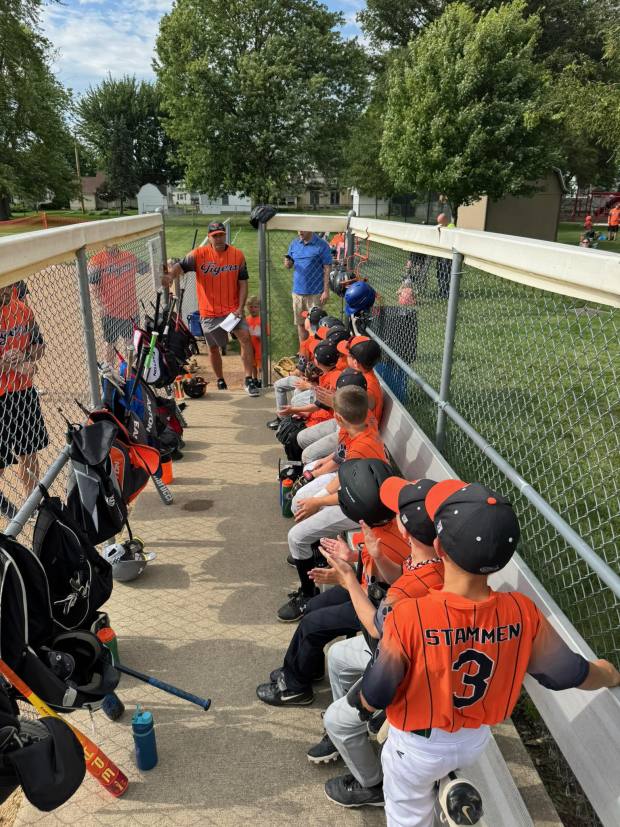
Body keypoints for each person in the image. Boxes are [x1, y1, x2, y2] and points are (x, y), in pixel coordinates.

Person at [357, 479, 620, 826]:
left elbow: (376, 693)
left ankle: (439, 786)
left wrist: (362, 707)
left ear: (438, 545)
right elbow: (564, 674)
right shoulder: (521, 611)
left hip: (418, 746)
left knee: (406, 814)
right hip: (475, 739)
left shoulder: (410, 614)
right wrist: (608, 673)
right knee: (441, 757)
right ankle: (449, 784)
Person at [310, 477, 443, 808]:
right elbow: (399, 575)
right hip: (393, 649)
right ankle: (351, 734)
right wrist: (370, 556)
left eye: (396, 510)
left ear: (405, 528)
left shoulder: (416, 584)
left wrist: (347, 579)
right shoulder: (425, 558)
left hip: (404, 668)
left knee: (336, 719)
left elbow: (377, 625)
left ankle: (371, 785)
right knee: (339, 656)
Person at [256, 457, 410, 707]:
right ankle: (308, 668)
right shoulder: (386, 522)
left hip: (380, 608)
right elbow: (378, 562)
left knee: (312, 623)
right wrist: (352, 556)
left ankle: (295, 687)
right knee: (314, 606)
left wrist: (344, 576)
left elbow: (388, 580)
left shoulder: (386, 541)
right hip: (368, 588)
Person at [279, 385, 388, 622]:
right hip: (354, 491)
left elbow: (350, 495)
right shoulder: (360, 423)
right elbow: (343, 472)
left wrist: (318, 501)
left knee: (296, 536)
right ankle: (312, 553)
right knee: (302, 501)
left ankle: (308, 596)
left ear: (338, 417)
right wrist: (320, 487)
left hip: (364, 508)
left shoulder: (362, 448)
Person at [165, 221, 259, 396]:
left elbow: (243, 283)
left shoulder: (237, 255)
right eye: (215, 236)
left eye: (221, 234)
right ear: (209, 238)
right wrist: (170, 276)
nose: (219, 238)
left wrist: (239, 307)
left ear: (225, 235)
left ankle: (248, 380)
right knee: (213, 348)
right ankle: (220, 379)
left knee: (245, 337)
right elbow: (181, 266)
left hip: (232, 310)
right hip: (210, 312)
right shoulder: (199, 254)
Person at [0, 283, 48, 514]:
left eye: (7, 286)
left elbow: (39, 346)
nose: (4, 292)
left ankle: (32, 505)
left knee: (29, 452)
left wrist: (25, 355)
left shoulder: (23, 311)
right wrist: (12, 364)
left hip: (22, 393)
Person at [266, 306, 327, 429]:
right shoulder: (325, 340)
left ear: (309, 323)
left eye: (306, 318)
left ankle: (281, 418)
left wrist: (289, 373)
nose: (304, 320)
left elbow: (299, 371)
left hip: (309, 382)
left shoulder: (306, 343)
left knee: (279, 385)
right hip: (321, 382)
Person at [88, 243, 147, 363]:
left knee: (130, 343)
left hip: (130, 310)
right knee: (110, 344)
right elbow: (93, 286)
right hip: (110, 312)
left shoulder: (129, 256)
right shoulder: (96, 260)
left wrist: (164, 266)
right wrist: (101, 305)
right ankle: (108, 374)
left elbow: (147, 267)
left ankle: (131, 374)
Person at [284, 230, 332, 345]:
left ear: (310, 228)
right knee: (300, 324)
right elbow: (288, 265)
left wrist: (326, 291)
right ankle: (303, 352)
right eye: (298, 229)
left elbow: (327, 268)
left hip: (315, 293)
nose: (299, 232)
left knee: (315, 325)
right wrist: (287, 262)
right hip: (298, 293)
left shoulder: (322, 245)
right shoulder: (294, 244)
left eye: (302, 229)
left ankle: (316, 352)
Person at [245, 295, 267, 387]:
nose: (253, 309)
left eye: (255, 307)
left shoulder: (262, 319)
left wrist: (260, 336)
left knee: (260, 365)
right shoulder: (246, 319)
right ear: (247, 308)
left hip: (259, 347)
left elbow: (266, 334)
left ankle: (262, 379)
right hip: (250, 347)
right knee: (252, 364)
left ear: (259, 308)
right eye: (251, 307)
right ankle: (254, 379)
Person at [435, 214, 455, 299]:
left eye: (441, 222)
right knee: (439, 272)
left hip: (447, 255)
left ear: (445, 220)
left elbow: (448, 235)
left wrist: (441, 230)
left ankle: (446, 292)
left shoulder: (451, 226)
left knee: (445, 273)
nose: (440, 224)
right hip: (440, 253)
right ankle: (441, 290)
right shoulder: (442, 227)